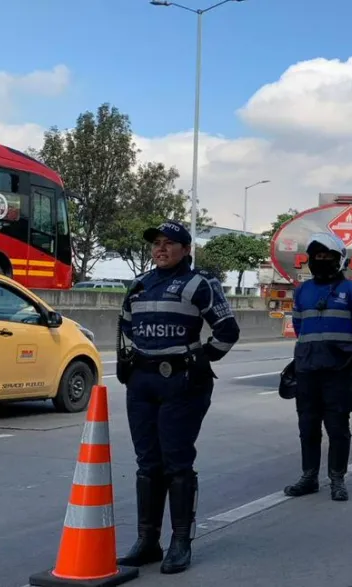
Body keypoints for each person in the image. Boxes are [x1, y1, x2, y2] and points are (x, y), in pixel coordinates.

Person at [116, 221, 240, 574]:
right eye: (157, 243)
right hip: (142, 382)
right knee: (147, 463)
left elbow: (227, 330)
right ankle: (147, 541)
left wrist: (201, 359)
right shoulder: (139, 284)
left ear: (185, 249)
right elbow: (127, 325)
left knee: (176, 462)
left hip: (182, 383)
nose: (161, 248)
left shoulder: (200, 283)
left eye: (169, 243)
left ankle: (180, 542)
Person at [283, 232, 352, 502]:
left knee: (337, 427)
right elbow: (299, 326)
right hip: (308, 367)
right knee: (307, 426)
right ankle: (309, 477)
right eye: (316, 256)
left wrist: (348, 351)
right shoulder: (302, 291)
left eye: (327, 256)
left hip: (338, 369)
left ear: (339, 259)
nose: (321, 260)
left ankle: (337, 479)